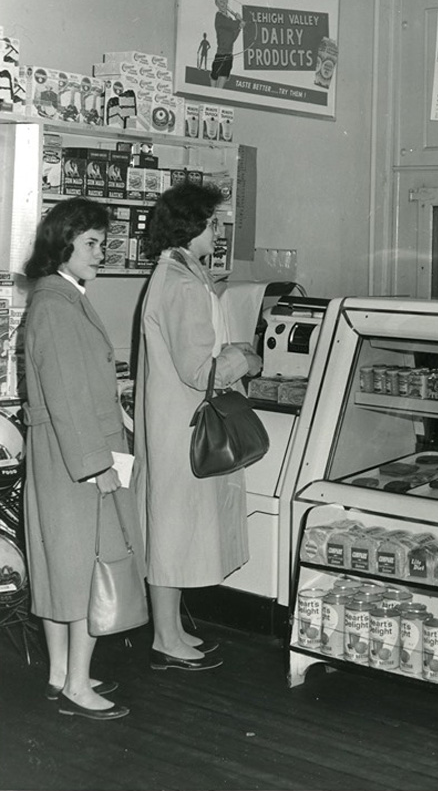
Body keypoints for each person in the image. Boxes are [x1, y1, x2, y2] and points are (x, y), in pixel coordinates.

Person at [134, 182, 262, 671]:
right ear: (191, 227)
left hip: (178, 424)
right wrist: (245, 358)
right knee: (171, 529)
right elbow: (200, 371)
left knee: (175, 526)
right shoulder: (184, 284)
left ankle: (171, 627)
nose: (220, 230)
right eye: (213, 222)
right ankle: (165, 637)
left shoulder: (183, 272)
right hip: (183, 429)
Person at [22, 197, 142, 720]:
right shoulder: (57, 305)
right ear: (63, 244)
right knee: (89, 568)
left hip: (62, 455)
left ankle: (60, 673)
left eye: (103, 242)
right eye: (92, 243)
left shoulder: (59, 298)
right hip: (81, 460)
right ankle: (76, 685)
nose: (102, 252)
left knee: (62, 567)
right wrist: (100, 467)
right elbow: (69, 401)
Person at [209, 0, 243, 89]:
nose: (222, 0)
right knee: (214, 80)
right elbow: (231, 24)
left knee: (221, 85)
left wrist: (239, 28)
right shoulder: (219, 17)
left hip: (228, 55)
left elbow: (232, 38)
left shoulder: (229, 18)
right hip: (220, 55)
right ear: (216, 3)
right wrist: (238, 21)